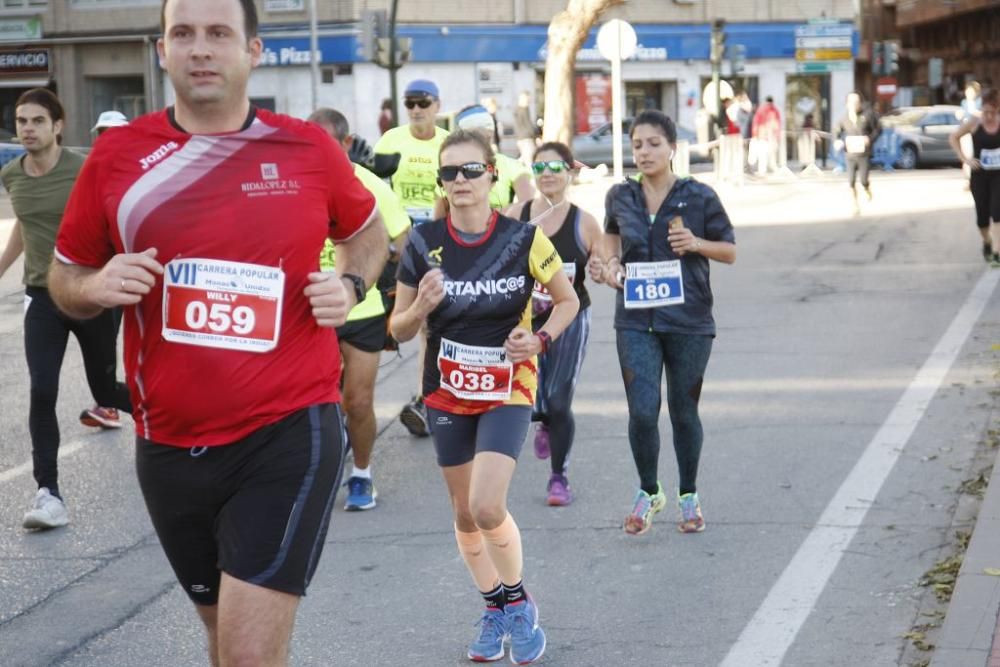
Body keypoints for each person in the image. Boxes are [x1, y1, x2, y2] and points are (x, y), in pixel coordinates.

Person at [48, 1, 388, 665]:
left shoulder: (306, 148)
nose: (201, 49)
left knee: (248, 652)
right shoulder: (118, 157)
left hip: (290, 429)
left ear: (252, 50)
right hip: (169, 445)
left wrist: (349, 286)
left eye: (218, 34)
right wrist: (94, 286)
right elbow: (65, 276)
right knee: (220, 635)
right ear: (161, 50)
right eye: (184, 34)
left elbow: (367, 232)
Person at [391, 130, 578, 664]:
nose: (459, 182)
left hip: (508, 385)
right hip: (446, 390)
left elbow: (565, 302)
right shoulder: (422, 242)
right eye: (449, 173)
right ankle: (494, 606)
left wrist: (538, 339)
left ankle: (518, 602)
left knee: (486, 503)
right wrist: (420, 308)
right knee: (464, 514)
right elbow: (398, 330)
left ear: (492, 174)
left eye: (470, 171)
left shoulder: (522, 239)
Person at [591, 109, 735, 536]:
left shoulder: (699, 195)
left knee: (684, 410)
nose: (645, 151)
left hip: (689, 319)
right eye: (637, 144)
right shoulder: (621, 195)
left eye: (654, 143)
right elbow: (611, 234)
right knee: (641, 411)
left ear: (673, 148)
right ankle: (649, 490)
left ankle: (688, 495)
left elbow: (729, 250)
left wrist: (696, 243)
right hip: (634, 319)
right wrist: (610, 263)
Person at [0, 88, 133, 530]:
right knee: (42, 391)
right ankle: (48, 493)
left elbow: (116, 221)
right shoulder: (12, 175)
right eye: (21, 121)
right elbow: (25, 223)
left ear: (58, 126)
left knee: (106, 391)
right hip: (41, 298)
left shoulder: (84, 170)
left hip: (89, 295)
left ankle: (177, 425)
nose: (28, 129)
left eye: (37, 121)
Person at [308, 106, 411, 511]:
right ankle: (320, 466)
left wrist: (395, 288)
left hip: (362, 310)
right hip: (311, 313)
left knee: (359, 401)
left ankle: (362, 475)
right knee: (316, 403)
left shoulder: (369, 185)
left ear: (346, 144)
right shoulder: (294, 185)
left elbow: (404, 242)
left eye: (326, 145)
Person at [507, 142, 601, 506]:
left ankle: (558, 478)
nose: (547, 174)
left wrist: (603, 268)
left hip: (570, 318)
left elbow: (603, 260)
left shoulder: (585, 222)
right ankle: (543, 417)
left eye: (555, 167)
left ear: (570, 172)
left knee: (559, 402)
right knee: (528, 402)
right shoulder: (515, 216)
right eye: (540, 167)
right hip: (522, 320)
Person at [375, 78, 449, 438]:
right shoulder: (391, 141)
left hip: (437, 241)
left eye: (423, 102)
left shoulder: (447, 142)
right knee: (402, 323)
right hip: (399, 243)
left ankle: (425, 397)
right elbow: (373, 190)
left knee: (428, 324)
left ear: (437, 105)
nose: (417, 109)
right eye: (410, 103)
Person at [452, 104, 534, 212]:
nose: (487, 131)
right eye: (479, 127)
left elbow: (528, 204)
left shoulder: (509, 165)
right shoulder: (450, 167)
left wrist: (495, 217)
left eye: (488, 126)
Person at [950, 88, 1000, 264]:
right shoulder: (974, 123)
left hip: (998, 176)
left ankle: (996, 253)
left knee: (997, 212)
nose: (988, 116)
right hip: (979, 175)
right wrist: (965, 159)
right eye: (985, 112)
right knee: (982, 217)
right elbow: (953, 137)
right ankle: (987, 242)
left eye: (992, 113)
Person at [832, 91, 881, 216]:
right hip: (850, 154)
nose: (854, 104)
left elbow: (878, 129)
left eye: (857, 102)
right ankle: (855, 205)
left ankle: (867, 188)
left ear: (860, 103)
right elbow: (835, 132)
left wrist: (869, 139)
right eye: (851, 102)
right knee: (851, 181)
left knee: (863, 180)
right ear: (847, 104)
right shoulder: (844, 119)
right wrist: (837, 141)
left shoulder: (867, 115)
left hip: (864, 154)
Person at [751, 95, 782, 175]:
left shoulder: (761, 109)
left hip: (762, 135)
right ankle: (772, 168)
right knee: (772, 153)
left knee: (763, 154)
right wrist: (777, 135)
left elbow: (756, 122)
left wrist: (755, 134)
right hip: (771, 135)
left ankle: (762, 170)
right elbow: (778, 123)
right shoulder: (775, 110)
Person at [514, 92, 537, 166]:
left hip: (520, 138)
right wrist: (535, 136)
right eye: (528, 99)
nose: (529, 101)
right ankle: (532, 177)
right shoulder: (524, 110)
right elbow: (528, 125)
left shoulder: (517, 110)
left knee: (523, 159)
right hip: (527, 138)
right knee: (529, 161)